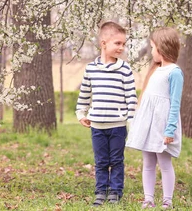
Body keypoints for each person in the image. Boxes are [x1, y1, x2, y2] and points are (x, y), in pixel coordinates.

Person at [76, 21, 137, 206]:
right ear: (104, 43)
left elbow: (131, 97)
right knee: (101, 161)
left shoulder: (125, 69)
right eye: (117, 43)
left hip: (118, 125)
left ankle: (115, 192)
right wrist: (81, 113)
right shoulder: (91, 69)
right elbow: (85, 93)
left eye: (123, 44)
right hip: (97, 126)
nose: (121, 47)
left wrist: (131, 121)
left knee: (117, 160)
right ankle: (101, 191)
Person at [126, 27, 184, 209]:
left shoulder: (174, 72)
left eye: (153, 47)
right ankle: (148, 199)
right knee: (148, 162)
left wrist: (170, 130)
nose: (151, 52)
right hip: (149, 125)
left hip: (162, 125)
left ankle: (167, 200)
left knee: (164, 163)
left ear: (162, 48)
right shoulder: (155, 70)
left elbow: (175, 104)